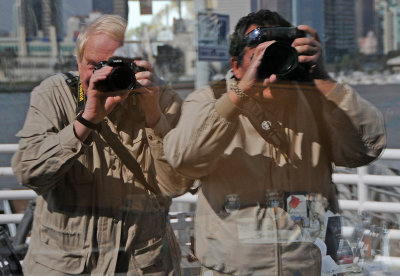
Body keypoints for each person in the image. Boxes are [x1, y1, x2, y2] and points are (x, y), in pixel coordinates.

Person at [163, 9, 386, 275]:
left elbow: (366, 149)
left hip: (305, 266)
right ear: (235, 65)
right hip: (232, 269)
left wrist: (324, 81)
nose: (270, 71)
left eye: (277, 57)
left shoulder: (317, 103)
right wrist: (239, 94)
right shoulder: (209, 100)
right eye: (258, 57)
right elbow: (184, 159)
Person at [12, 14, 191, 275]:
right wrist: (86, 120)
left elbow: (177, 184)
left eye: (116, 66)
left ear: (137, 66)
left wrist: (154, 115)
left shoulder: (162, 100)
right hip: (66, 265)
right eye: (93, 65)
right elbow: (29, 173)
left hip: (143, 265)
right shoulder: (54, 94)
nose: (103, 75)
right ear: (78, 62)